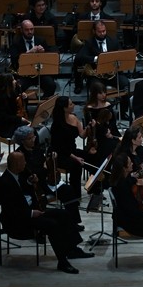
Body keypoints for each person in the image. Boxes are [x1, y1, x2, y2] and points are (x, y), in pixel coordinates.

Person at [0, 151, 91, 274]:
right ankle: (62, 262)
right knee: (52, 225)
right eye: (23, 161)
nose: (25, 163)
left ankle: (73, 249)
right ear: (16, 164)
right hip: (18, 221)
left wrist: (30, 183)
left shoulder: (17, 174)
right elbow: (11, 210)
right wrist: (31, 213)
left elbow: (22, 191)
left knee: (63, 214)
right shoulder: (5, 183)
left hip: (28, 212)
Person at [50, 96, 88, 227]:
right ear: (64, 108)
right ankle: (75, 196)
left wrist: (89, 127)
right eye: (71, 104)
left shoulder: (74, 117)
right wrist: (76, 157)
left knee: (91, 157)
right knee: (76, 165)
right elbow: (60, 147)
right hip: (60, 154)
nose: (73, 105)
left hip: (72, 149)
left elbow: (82, 134)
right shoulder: (57, 125)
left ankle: (95, 189)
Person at [10, 18, 56, 97]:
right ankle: (24, 106)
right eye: (27, 30)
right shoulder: (16, 42)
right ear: (21, 30)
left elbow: (49, 58)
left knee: (51, 85)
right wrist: (28, 53)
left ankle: (42, 104)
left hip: (40, 73)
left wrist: (44, 52)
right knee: (17, 88)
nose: (30, 32)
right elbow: (14, 60)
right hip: (25, 75)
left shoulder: (41, 40)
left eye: (31, 29)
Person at [0, 74, 28, 140]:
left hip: (14, 122)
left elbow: (21, 105)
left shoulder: (15, 91)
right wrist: (19, 119)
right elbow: (3, 117)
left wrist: (24, 98)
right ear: (7, 83)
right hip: (4, 127)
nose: (15, 81)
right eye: (13, 80)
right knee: (28, 133)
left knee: (31, 131)